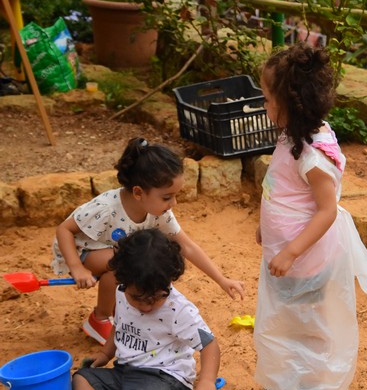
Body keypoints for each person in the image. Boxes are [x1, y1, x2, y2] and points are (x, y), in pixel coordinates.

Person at [252, 42, 367, 390]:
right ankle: (286, 381)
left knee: (312, 325)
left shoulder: (314, 155)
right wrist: (265, 227)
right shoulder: (292, 137)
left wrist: (291, 251)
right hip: (287, 255)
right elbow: (280, 189)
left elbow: (326, 210)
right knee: (285, 317)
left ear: (292, 104)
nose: (263, 107)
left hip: (308, 258)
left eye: (267, 100)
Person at [51, 228, 221, 390]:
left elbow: (209, 344)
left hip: (166, 378)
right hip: (125, 371)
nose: (146, 306)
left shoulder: (178, 310)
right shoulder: (121, 293)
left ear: (169, 281)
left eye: (155, 298)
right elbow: (119, 325)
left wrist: (206, 381)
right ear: (122, 281)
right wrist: (105, 352)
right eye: (137, 298)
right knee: (84, 378)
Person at [52, 137, 244, 344]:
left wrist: (222, 279)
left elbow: (186, 246)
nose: (174, 203)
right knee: (126, 265)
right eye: (167, 197)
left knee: (145, 259)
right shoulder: (106, 208)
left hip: (116, 251)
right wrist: (76, 268)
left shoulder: (159, 212)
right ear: (138, 192)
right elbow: (64, 230)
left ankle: (122, 312)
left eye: (175, 196)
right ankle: (99, 318)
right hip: (82, 250)